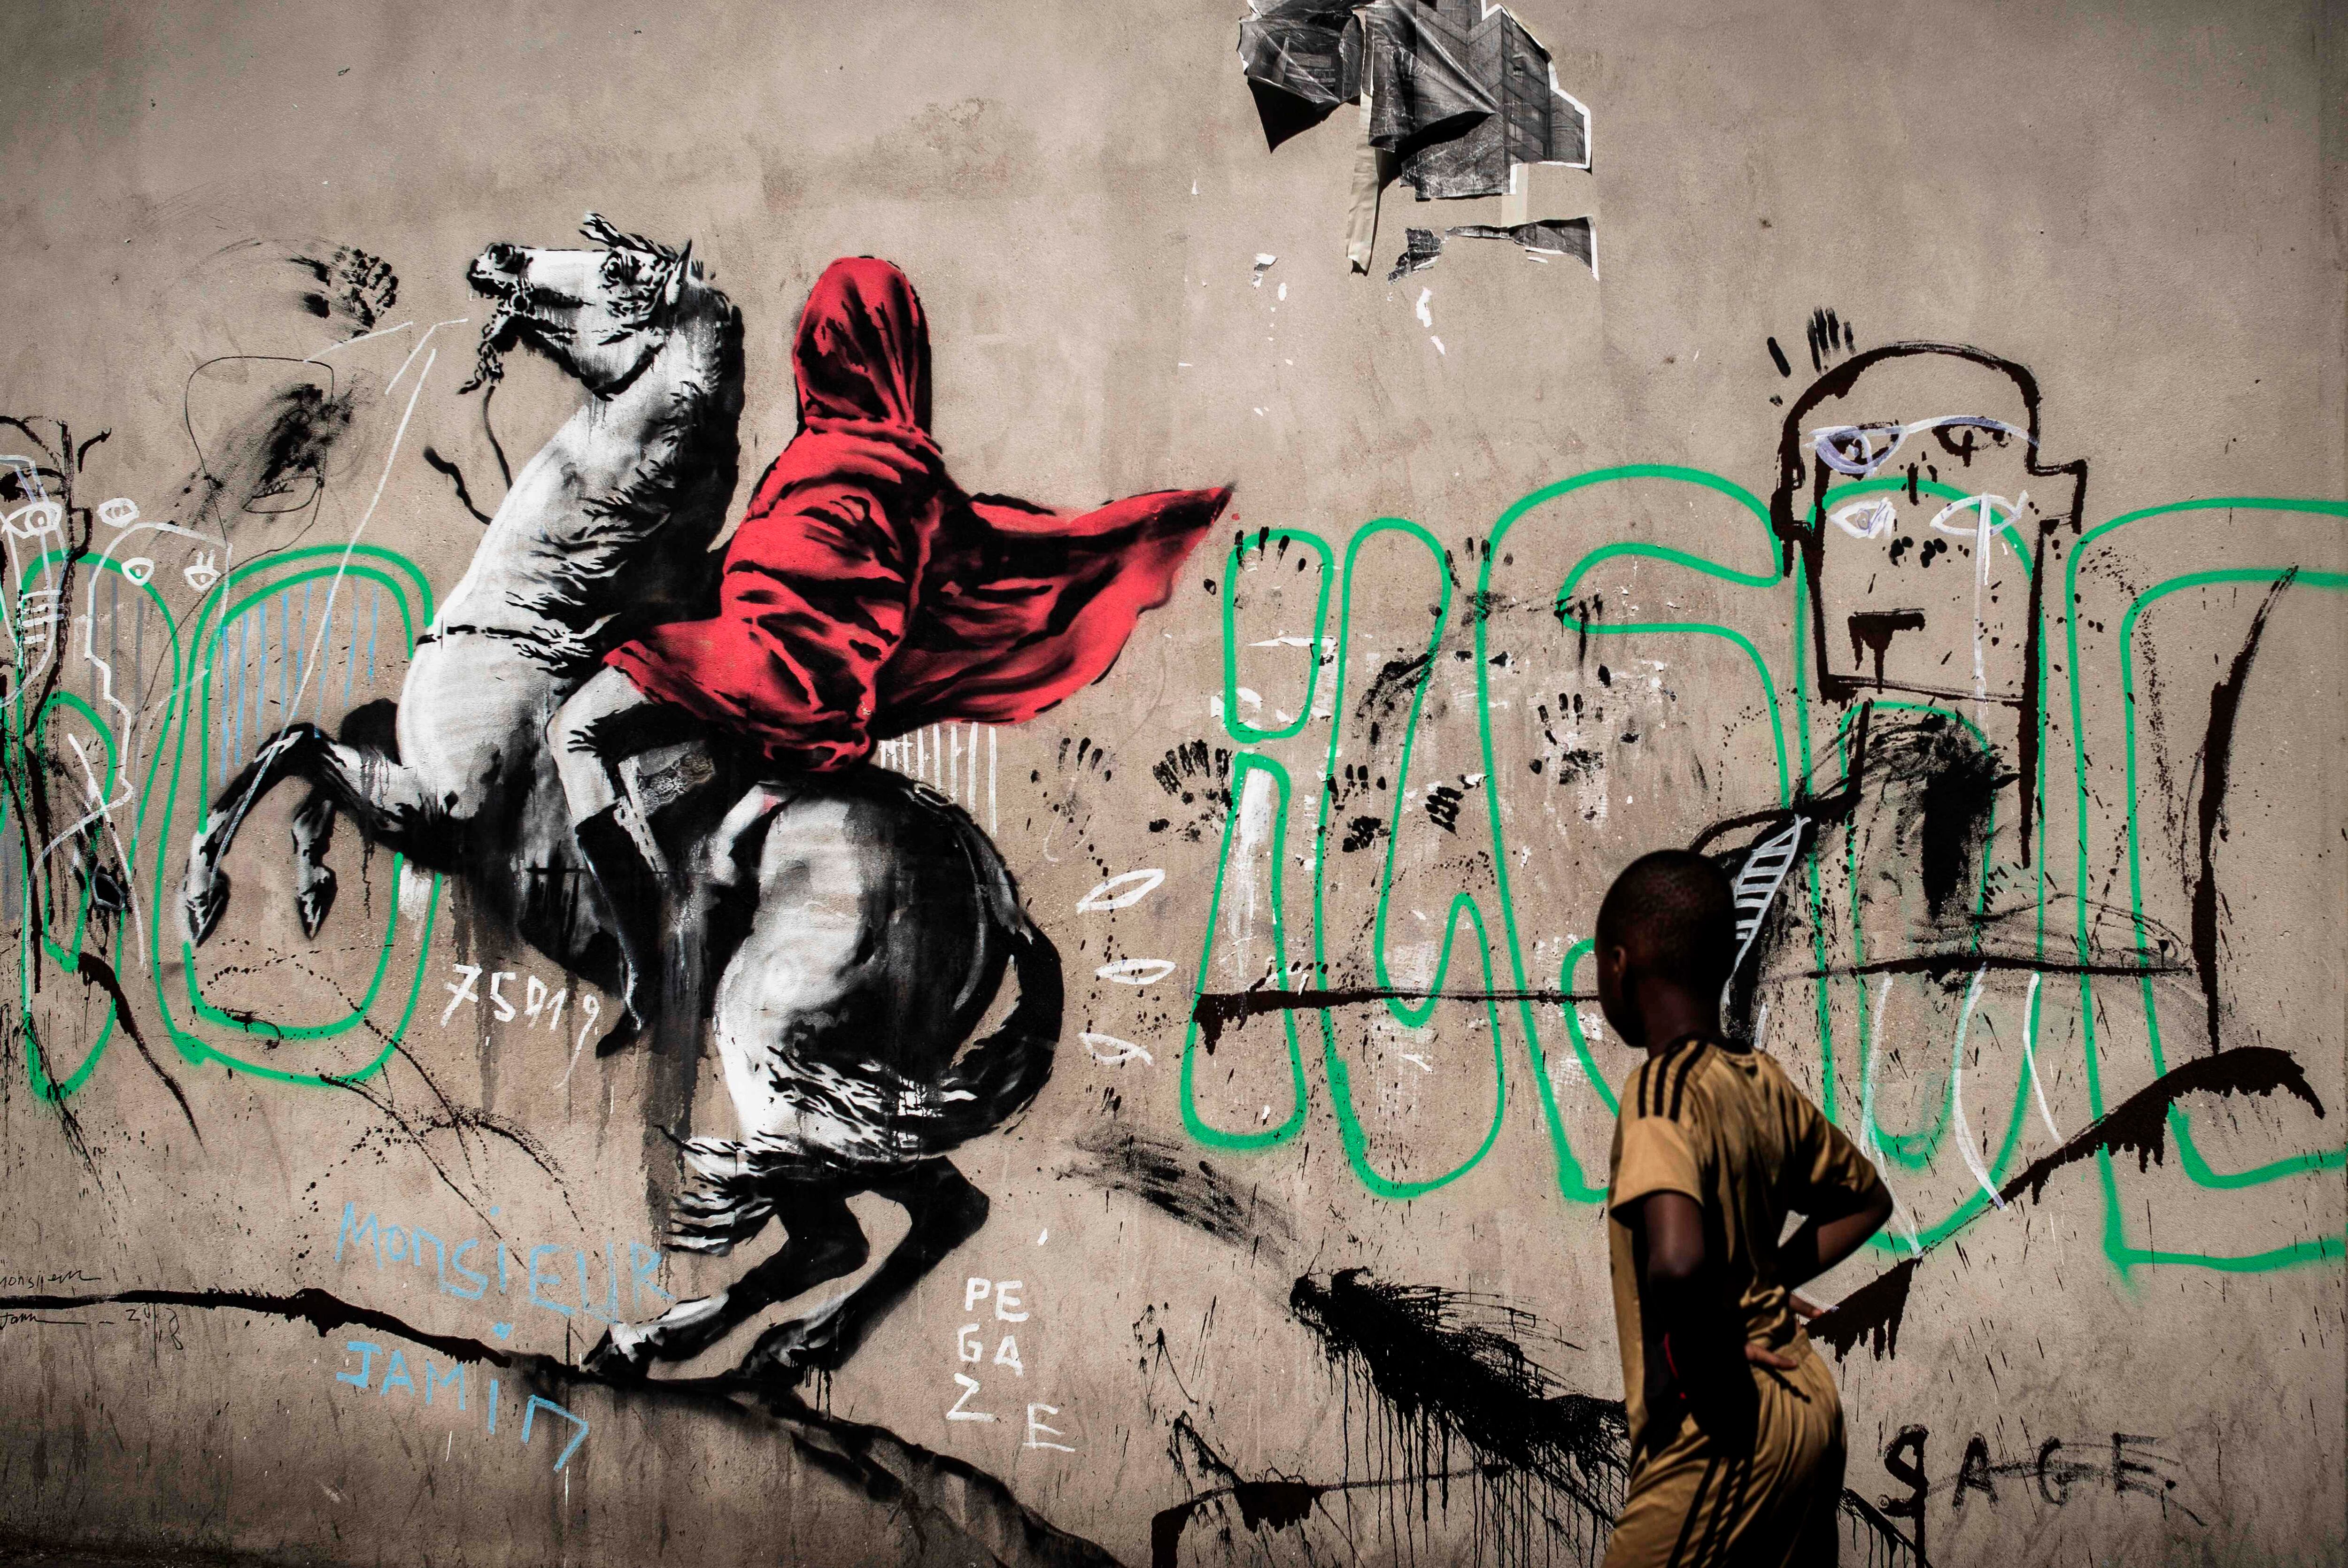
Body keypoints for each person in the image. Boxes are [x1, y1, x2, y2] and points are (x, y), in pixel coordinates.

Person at [551, 257, 1229, 1050]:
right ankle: (718, 865)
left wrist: (635, 621)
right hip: (825, 721)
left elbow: (746, 570)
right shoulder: (926, 489)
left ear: (818, 354)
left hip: (747, 670)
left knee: (574, 732)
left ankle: (646, 969)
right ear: (906, 358)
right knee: (692, 765)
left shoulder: (811, 455)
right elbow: (975, 567)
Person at [1595, 849, 1893, 1567]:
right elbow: (1865, 1200)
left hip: (1726, 1423)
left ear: (1619, 965)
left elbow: (1677, 1262)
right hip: (1808, 1404)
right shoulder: (1761, 1081)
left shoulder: (1660, 1091)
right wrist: (1763, 1282)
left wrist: (1711, 1354)